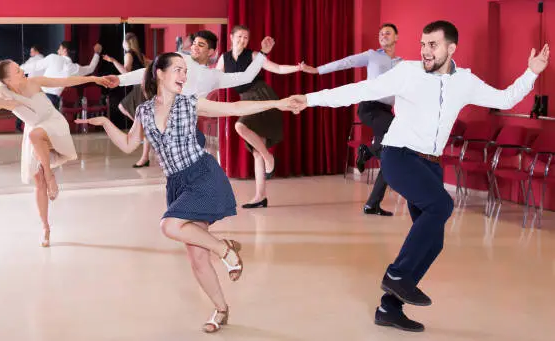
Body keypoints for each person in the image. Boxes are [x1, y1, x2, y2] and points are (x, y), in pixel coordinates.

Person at [290, 20, 549, 332]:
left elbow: (505, 99)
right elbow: (361, 90)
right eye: (423, 44)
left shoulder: (465, 81)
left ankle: (389, 308)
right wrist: (311, 99)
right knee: (441, 206)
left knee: (433, 241)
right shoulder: (407, 72)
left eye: (433, 45)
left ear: (451, 48)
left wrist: (532, 72)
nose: (425, 51)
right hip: (399, 155)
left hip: (430, 165)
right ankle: (397, 275)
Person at [76, 52, 300, 333]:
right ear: (160, 73)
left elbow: (234, 107)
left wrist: (279, 102)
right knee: (196, 256)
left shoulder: (190, 104)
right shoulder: (144, 110)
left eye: (186, 71)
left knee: (169, 225)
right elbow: (128, 144)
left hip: (202, 175)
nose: (184, 76)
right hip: (177, 184)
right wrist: (106, 123)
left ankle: (223, 249)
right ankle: (221, 309)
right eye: (178, 70)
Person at [0, 60, 112, 248]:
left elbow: (66, 81)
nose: (22, 70)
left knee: (35, 136)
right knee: (37, 180)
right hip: (34, 132)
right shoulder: (1, 100)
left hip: (53, 123)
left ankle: (50, 176)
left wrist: (95, 78)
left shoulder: (34, 82)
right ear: (7, 80)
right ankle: (45, 227)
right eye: (17, 70)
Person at [105, 30, 275, 148]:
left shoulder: (214, 77)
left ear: (211, 52)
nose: (194, 47)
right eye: (194, 43)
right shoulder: (179, 59)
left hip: (186, 132)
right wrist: (120, 80)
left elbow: (246, 77)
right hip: (166, 126)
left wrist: (263, 54)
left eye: (200, 45)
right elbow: (149, 72)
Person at [301, 23, 401, 216]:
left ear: (396, 37)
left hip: (386, 111)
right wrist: (317, 70)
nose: (383, 36)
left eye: (388, 33)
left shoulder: (401, 63)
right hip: (369, 107)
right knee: (396, 131)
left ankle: (372, 203)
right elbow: (346, 62)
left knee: (391, 157)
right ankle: (368, 150)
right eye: (380, 34)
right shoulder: (372, 55)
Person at [215, 25, 302, 208]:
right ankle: (260, 197)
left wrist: (296, 68)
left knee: (240, 127)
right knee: (256, 152)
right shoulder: (224, 58)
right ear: (231, 37)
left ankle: (269, 159)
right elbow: (214, 78)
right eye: (239, 36)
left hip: (262, 96)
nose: (242, 40)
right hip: (246, 100)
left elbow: (277, 68)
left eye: (246, 38)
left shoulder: (253, 55)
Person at [102, 32, 153, 168]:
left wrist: (113, 61)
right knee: (134, 113)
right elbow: (153, 64)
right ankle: (144, 149)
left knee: (124, 108)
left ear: (127, 42)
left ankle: (143, 149)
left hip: (139, 88)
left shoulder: (129, 54)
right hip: (143, 87)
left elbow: (126, 73)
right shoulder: (140, 55)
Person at [21, 41, 103, 109]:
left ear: (65, 50)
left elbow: (33, 66)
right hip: (53, 100)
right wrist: (97, 53)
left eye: (59, 48)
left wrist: (18, 70)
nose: (57, 50)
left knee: (38, 124)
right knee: (49, 126)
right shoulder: (74, 68)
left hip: (40, 96)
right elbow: (90, 68)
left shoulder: (53, 57)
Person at [16, 44, 46, 132]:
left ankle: (19, 126)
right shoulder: (45, 59)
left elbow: (23, 68)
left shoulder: (33, 60)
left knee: (24, 106)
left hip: (30, 87)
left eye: (31, 51)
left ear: (36, 51)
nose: (30, 53)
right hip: (42, 87)